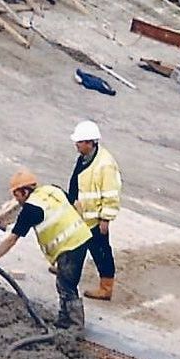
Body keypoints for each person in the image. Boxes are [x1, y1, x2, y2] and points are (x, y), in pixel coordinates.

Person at [0, 169, 91, 330]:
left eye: (17, 195)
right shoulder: (52, 190)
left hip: (70, 245)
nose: (16, 200)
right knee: (64, 281)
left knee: (67, 284)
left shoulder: (31, 209)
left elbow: (12, 239)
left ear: (24, 191)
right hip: (81, 237)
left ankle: (75, 325)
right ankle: (65, 318)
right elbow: (76, 204)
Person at [67, 119, 121, 300]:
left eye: (80, 142)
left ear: (90, 143)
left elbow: (111, 193)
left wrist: (105, 218)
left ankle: (106, 287)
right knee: (74, 244)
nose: (76, 145)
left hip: (95, 218)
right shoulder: (84, 158)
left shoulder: (105, 165)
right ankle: (67, 269)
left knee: (100, 251)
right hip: (81, 214)